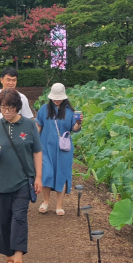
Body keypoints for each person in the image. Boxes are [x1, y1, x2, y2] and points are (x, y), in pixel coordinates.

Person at [0, 89, 42, 263]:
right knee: (3, 219)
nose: (6, 112)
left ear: (17, 108)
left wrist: (38, 177)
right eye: (3, 108)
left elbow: (37, 151)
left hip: (23, 180)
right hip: (0, 181)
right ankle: (8, 257)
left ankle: (18, 260)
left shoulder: (29, 125)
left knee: (19, 217)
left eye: (10, 108)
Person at [35, 83, 83, 215]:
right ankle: (45, 201)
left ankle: (59, 205)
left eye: (59, 97)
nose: (57, 100)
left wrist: (79, 123)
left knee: (61, 175)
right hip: (46, 147)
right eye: (55, 97)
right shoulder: (44, 109)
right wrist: (33, 142)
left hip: (64, 150)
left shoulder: (70, 112)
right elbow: (38, 126)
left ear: (64, 97)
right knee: (47, 173)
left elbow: (74, 129)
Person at [0, 67, 34, 146]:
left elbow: (28, 119)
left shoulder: (22, 98)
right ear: (1, 80)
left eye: (14, 80)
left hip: (16, 137)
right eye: (8, 80)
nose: (11, 83)